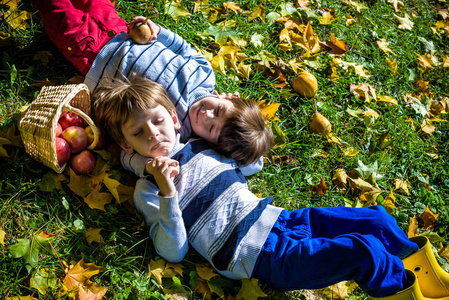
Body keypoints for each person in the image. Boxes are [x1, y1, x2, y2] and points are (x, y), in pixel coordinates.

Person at [93, 76, 449, 300]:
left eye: (157, 122)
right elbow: (172, 251)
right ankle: (402, 293)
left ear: (173, 118)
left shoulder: (200, 144)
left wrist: (232, 112)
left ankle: (424, 278)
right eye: (138, 133)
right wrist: (168, 191)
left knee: (375, 219)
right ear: (127, 146)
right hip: (259, 256)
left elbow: (252, 163)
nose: (153, 134)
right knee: (362, 251)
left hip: (283, 220)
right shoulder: (149, 190)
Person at [33, 0, 272, 170]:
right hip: (124, 31)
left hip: (95, 54)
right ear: (227, 98)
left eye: (210, 128)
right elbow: (184, 49)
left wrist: (250, 153)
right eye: (218, 110)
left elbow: (247, 165)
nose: (206, 115)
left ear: (209, 143)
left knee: (59, 11)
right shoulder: (204, 75)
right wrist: (159, 31)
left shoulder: (178, 130)